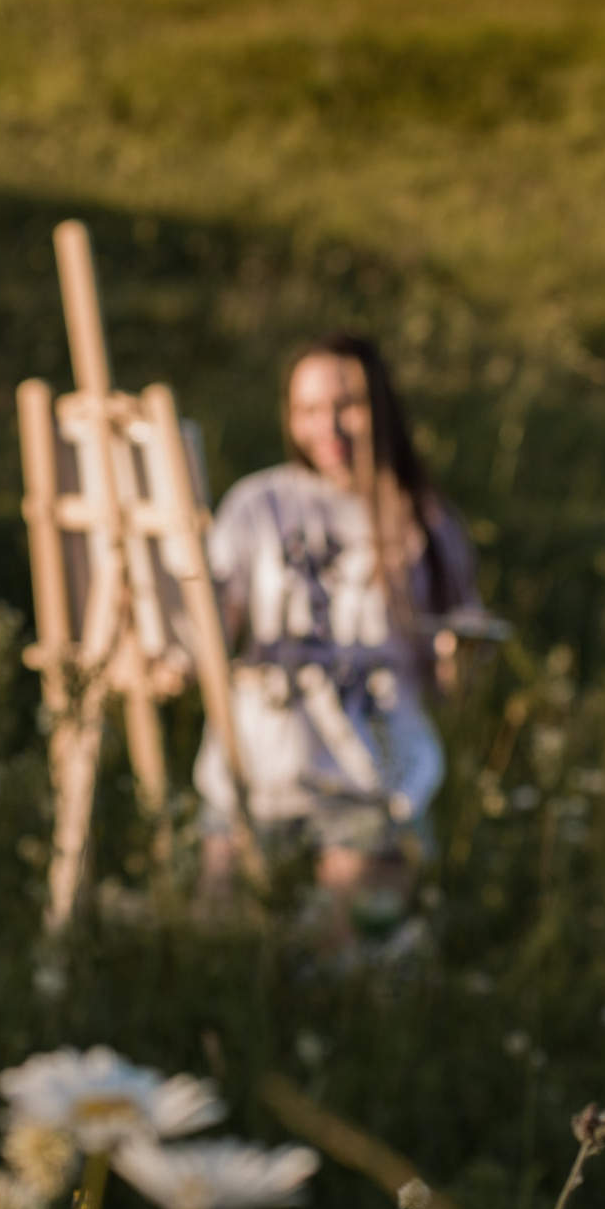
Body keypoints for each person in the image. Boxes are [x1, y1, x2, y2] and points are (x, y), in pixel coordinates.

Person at [193, 332, 486, 933]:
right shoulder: (258, 503)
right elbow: (211, 631)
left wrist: (463, 657)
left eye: (347, 404)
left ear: (382, 406)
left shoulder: (424, 521)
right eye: (307, 409)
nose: (329, 425)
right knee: (220, 940)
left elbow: (455, 681)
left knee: (343, 961)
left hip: (371, 779)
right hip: (255, 767)